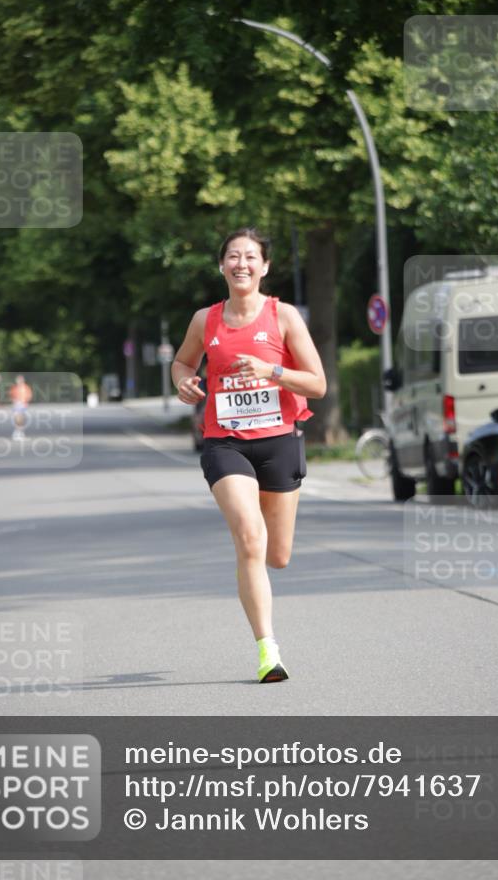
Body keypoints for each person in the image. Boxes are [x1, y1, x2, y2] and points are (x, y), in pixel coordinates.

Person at [172, 228, 326, 683]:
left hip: (279, 440)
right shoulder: (206, 320)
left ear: (264, 267)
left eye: (250, 256)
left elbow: (317, 384)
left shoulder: (284, 317)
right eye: (233, 256)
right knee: (249, 537)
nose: (241, 263)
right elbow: (182, 361)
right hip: (226, 442)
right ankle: (268, 651)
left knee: (277, 555)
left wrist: (271, 370)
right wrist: (182, 381)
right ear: (221, 266)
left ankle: (263, 590)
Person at [9, 374, 33, 440]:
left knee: (22, 420)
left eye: (20, 379)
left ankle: (20, 433)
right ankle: (17, 433)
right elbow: (12, 396)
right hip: (17, 405)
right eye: (18, 379)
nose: (19, 381)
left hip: (23, 405)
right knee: (18, 419)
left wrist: (26, 402)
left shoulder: (26, 387)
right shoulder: (15, 388)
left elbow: (29, 395)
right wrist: (15, 402)